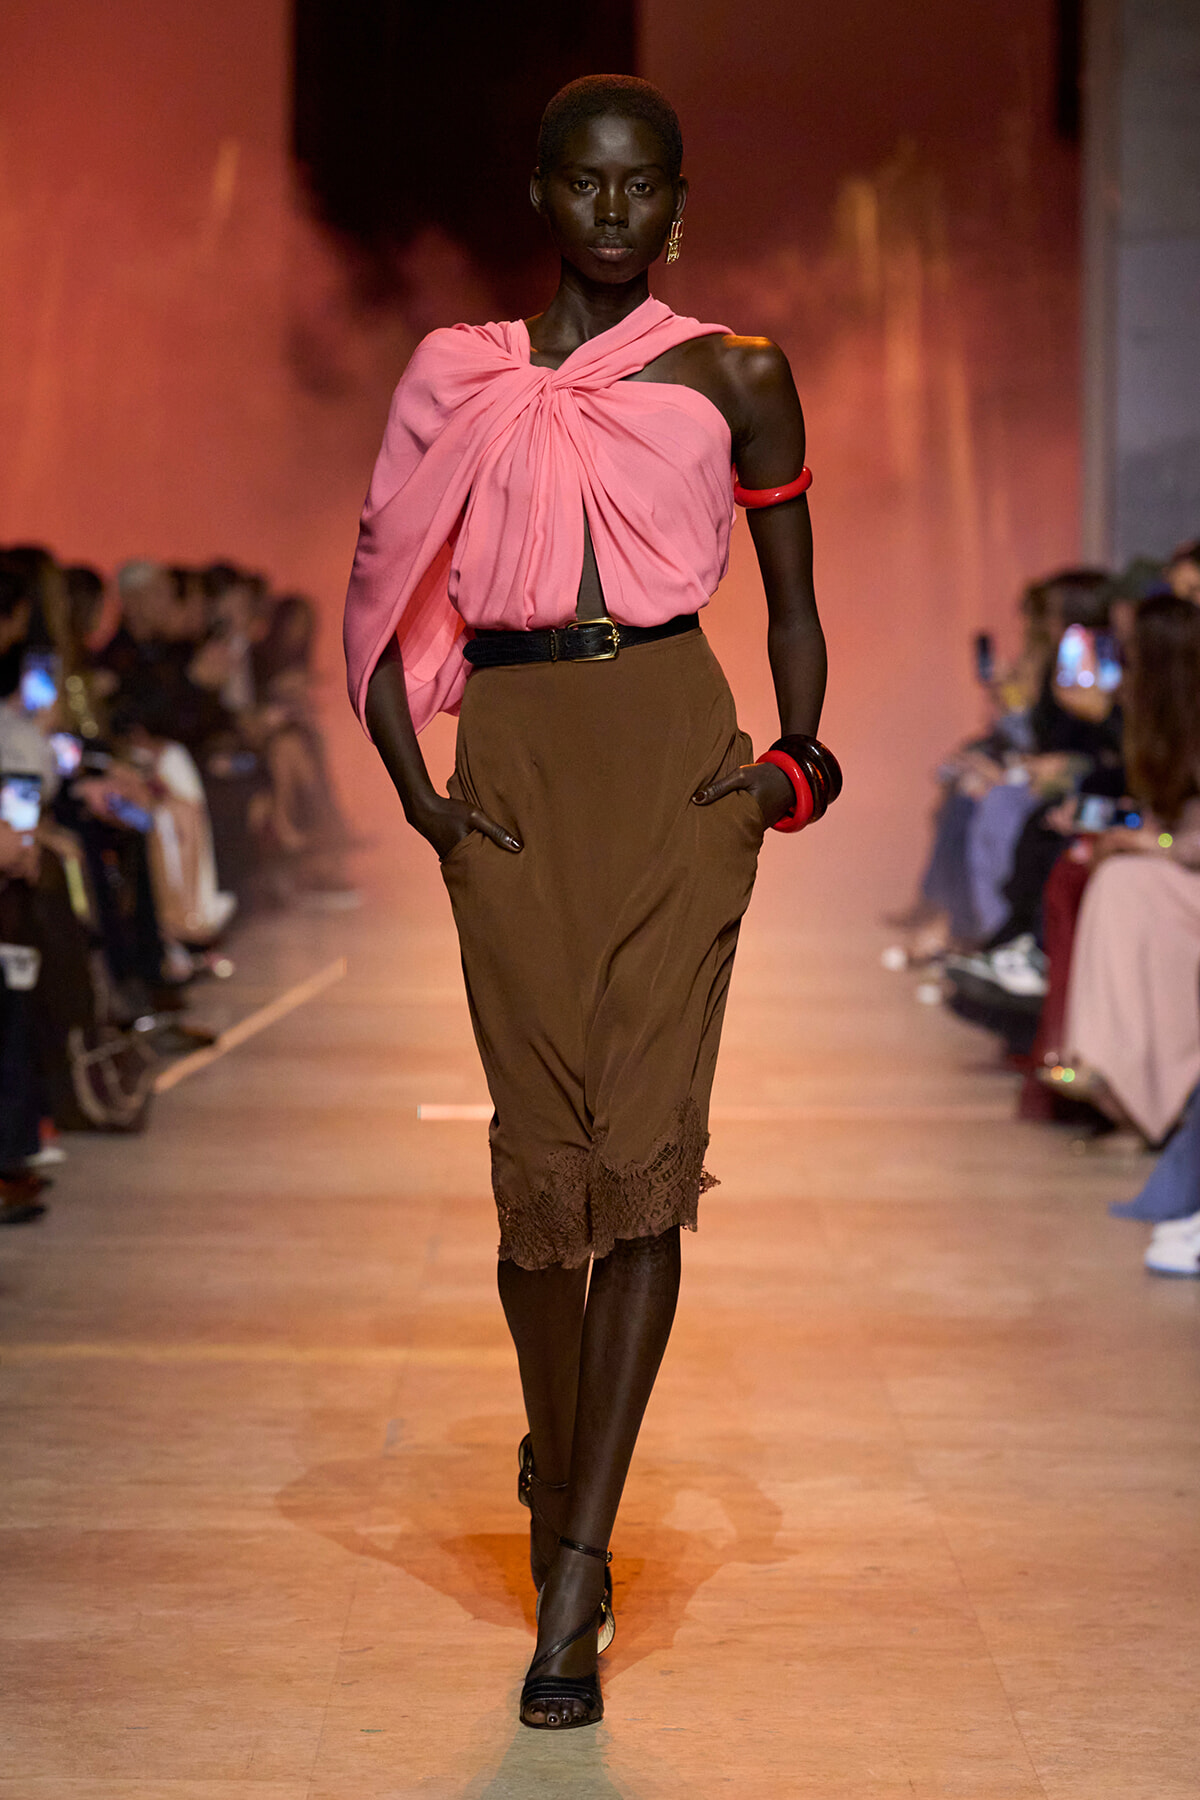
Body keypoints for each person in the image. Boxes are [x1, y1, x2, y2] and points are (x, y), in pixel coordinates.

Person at [343, 75, 834, 1729]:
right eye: (588, 185)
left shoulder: (740, 375)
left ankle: (574, 1567)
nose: (617, 214)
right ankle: (562, 1453)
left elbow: (793, 607)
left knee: (644, 1172)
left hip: (678, 769)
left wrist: (793, 771)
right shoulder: (457, 375)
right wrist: (422, 795)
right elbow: (382, 568)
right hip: (521, 769)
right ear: (544, 193)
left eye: (646, 191)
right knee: (536, 1177)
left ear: (678, 203)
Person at [1054, 596, 1200, 1143]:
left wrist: (1153, 843)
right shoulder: (1161, 719)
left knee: (1122, 886)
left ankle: (1123, 1078)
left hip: (1184, 869)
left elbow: (1180, 835)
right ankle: (1117, 1072)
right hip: (1179, 869)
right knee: (1105, 875)